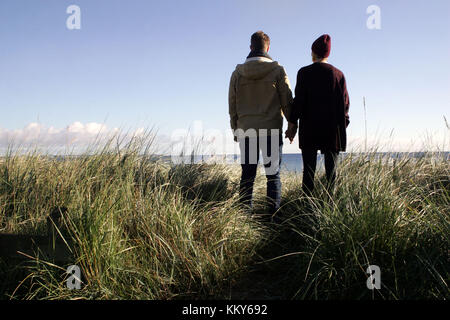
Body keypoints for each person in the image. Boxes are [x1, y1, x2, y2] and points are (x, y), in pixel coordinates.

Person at [228, 31, 296, 214]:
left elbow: (232, 105)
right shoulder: (277, 70)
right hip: (271, 129)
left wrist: (236, 129)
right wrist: (292, 124)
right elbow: (287, 101)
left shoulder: (237, 73)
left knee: (247, 176)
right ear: (268, 48)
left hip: (246, 131)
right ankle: (273, 220)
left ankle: (244, 218)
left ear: (251, 47)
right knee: (273, 176)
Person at [286, 34, 350, 196]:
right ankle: (330, 208)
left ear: (313, 52)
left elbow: (298, 102)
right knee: (332, 175)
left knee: (308, 175)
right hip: (332, 130)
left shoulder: (304, 73)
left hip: (309, 130)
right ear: (328, 53)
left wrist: (292, 125)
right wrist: (342, 125)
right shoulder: (338, 74)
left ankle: (307, 208)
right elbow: (345, 104)